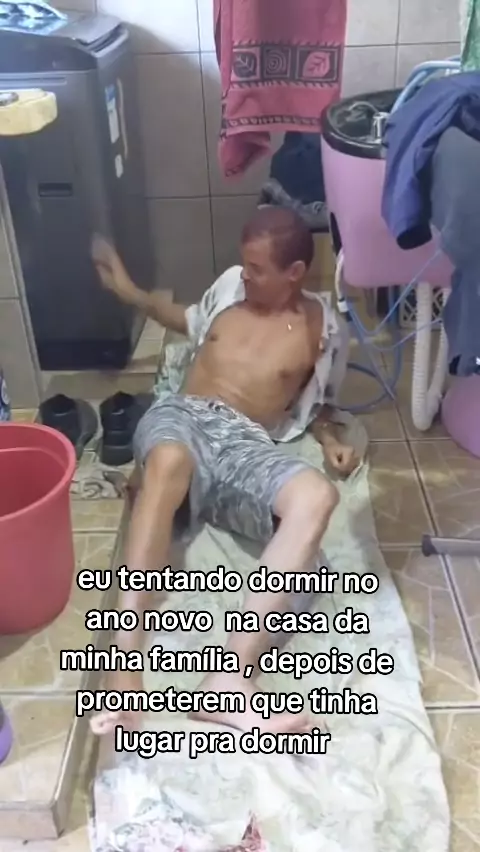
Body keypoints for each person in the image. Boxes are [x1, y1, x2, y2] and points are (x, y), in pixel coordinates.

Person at [90, 207, 360, 738]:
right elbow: (183, 318)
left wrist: (332, 440)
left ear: (294, 273)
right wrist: (130, 292)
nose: (245, 276)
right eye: (244, 264)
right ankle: (124, 666)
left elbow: (320, 401)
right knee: (169, 460)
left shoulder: (324, 328)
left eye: (257, 269)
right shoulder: (229, 293)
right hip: (184, 416)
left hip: (245, 441)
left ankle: (228, 681)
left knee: (316, 498)